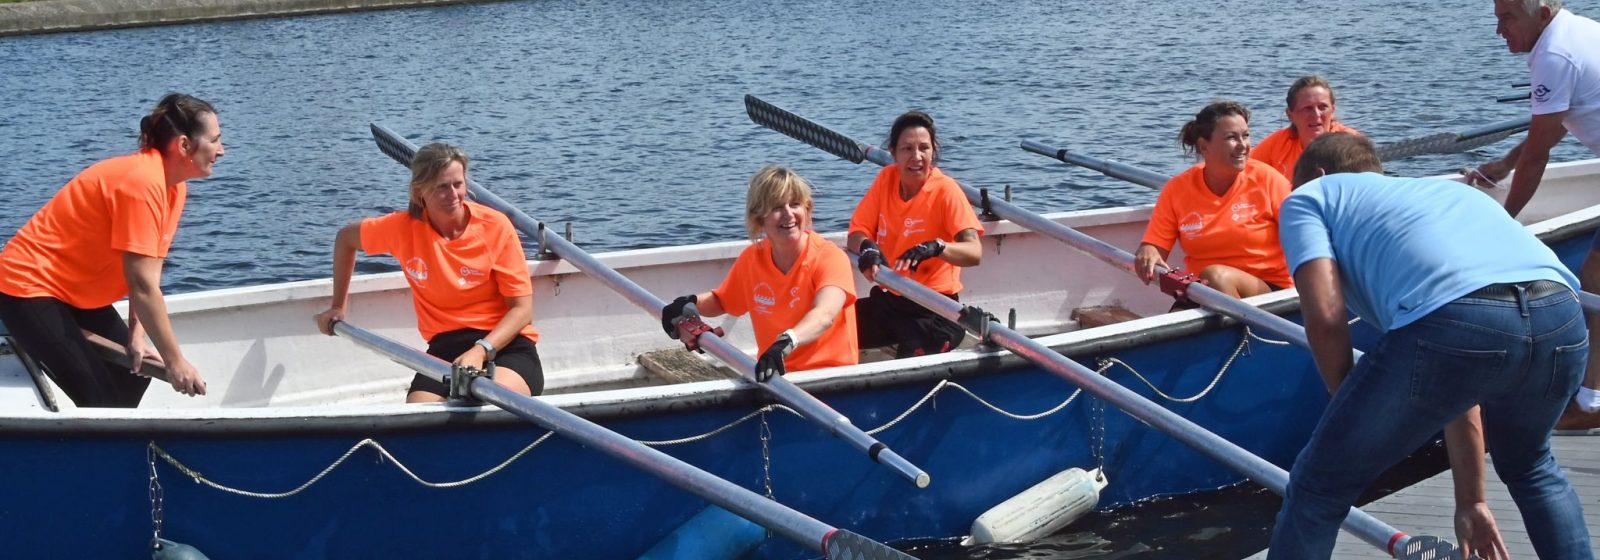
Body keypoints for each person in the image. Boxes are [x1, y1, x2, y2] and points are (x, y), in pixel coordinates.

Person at [1268, 132, 1591, 559]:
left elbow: (1326, 318)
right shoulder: (1447, 193)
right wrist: (1471, 499)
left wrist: (1346, 408)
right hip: (1561, 313)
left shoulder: (1310, 196)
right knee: (1532, 466)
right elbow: (1459, 386)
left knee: (1317, 487)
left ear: (1317, 175)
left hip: (1456, 320)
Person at [0, 93, 220, 406]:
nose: (221, 150)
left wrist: (136, 336)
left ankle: (116, 447)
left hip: (73, 291)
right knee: (99, 398)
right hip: (28, 286)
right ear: (184, 145)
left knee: (133, 377)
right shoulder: (141, 184)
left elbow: (146, 274)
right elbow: (143, 287)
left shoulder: (173, 187)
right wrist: (175, 361)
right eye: (214, 140)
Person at [313, 143, 543, 402]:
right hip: (445, 349)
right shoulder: (401, 228)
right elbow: (345, 239)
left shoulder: (495, 226)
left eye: (458, 184)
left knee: (484, 399)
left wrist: (481, 350)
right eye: (442, 187)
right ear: (419, 191)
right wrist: (337, 306)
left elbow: (522, 310)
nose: (453, 194)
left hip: (506, 346)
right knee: (417, 412)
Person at [1475, 0, 1600, 430]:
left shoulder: (1553, 54)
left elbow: (1539, 157)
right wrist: (1506, 163)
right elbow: (1551, 124)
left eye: (1507, 18)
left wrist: (1501, 226)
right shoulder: (1575, 31)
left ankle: (1589, 404)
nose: (1499, 31)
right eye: (1496, 18)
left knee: (1596, 283)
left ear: (1542, 13)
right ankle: (1590, 399)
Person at [659, 165, 857, 380]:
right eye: (777, 207)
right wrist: (688, 303)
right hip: (775, 376)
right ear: (759, 218)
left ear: (807, 209)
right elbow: (723, 301)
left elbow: (824, 315)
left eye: (795, 204)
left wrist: (786, 342)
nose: (789, 214)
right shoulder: (753, 259)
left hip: (832, 378)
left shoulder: (829, 257)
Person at [846, 111, 983, 358]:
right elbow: (856, 233)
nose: (916, 157)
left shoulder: (946, 190)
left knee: (913, 358)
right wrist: (866, 246)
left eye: (924, 148)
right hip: (893, 299)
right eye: (907, 149)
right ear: (894, 153)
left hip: (936, 309)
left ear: (933, 151)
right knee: (835, 326)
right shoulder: (885, 179)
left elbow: (974, 252)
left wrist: (938, 247)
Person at [1135, 101, 1293, 300]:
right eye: (1231, 138)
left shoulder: (1269, 180)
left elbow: (1304, 235)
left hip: (1269, 292)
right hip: (1204, 291)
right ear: (1203, 146)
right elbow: (1154, 246)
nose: (1243, 145)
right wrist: (1148, 251)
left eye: (1245, 135)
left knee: (1216, 276)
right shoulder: (1177, 189)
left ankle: (1250, 331)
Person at [1250, 75, 1362, 178]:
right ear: (1290, 115)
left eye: (1322, 107)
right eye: (1308, 109)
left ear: (1332, 110)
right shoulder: (1276, 144)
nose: (1316, 114)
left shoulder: (1351, 143)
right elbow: (1245, 170)